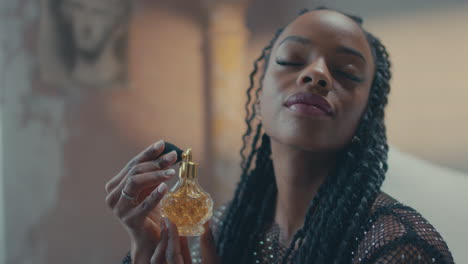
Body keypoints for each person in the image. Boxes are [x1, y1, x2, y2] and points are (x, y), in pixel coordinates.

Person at [105, 7, 455, 264]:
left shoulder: (399, 246)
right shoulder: (224, 229)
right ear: (259, 98)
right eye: (291, 60)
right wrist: (144, 246)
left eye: (346, 72)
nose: (316, 74)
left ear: (368, 116)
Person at [49, 0, 129, 89]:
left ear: (122, 23)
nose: (86, 23)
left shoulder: (134, 87)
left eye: (99, 12)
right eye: (79, 8)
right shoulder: (55, 83)